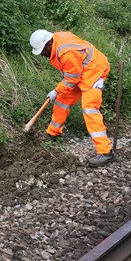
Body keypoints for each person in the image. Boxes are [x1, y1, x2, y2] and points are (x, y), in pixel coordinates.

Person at [29, 30, 116, 167]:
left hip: (94, 70)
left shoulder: (66, 53)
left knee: (89, 109)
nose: (42, 55)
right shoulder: (56, 41)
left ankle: (106, 152)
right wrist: (59, 92)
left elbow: (72, 79)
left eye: (42, 51)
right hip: (80, 71)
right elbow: (73, 75)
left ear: (49, 44)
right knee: (62, 101)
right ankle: (53, 133)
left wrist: (56, 90)